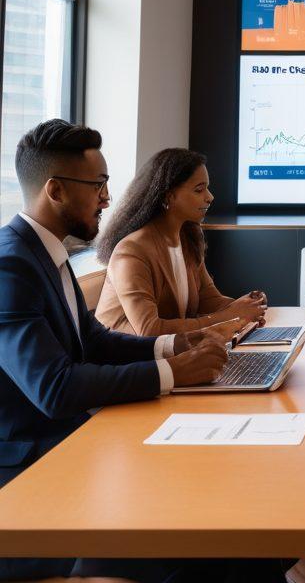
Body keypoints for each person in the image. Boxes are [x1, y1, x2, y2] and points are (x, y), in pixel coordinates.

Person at [0, 120, 232, 582]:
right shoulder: (11, 267)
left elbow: (98, 342)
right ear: (56, 191)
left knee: (216, 505)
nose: (108, 197)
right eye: (99, 185)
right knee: (198, 526)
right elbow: (55, 387)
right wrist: (172, 373)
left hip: (82, 441)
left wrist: (173, 344)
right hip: (34, 471)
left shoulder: (48, 254)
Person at [94, 149, 267, 336]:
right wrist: (230, 316)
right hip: (126, 360)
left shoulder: (187, 238)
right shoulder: (131, 252)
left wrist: (249, 306)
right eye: (199, 190)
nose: (210, 197)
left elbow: (208, 300)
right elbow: (149, 330)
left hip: (170, 354)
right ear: (168, 197)